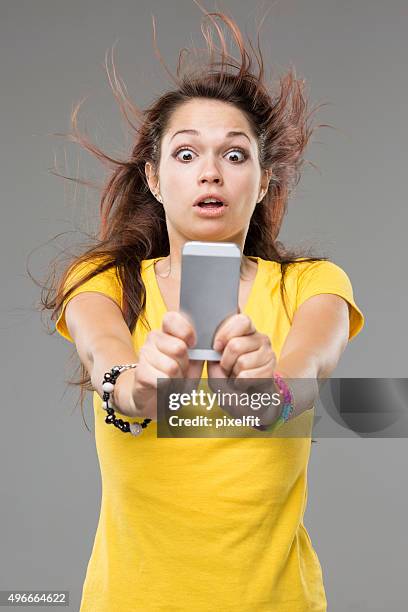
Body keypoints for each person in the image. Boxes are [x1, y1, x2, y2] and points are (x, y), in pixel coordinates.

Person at [44, 8, 365, 611]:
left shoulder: (312, 285)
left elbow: (307, 375)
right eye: (186, 154)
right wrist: (142, 386)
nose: (211, 172)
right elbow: (103, 359)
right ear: (156, 179)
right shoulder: (101, 281)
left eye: (235, 155)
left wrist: (268, 391)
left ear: (265, 181)